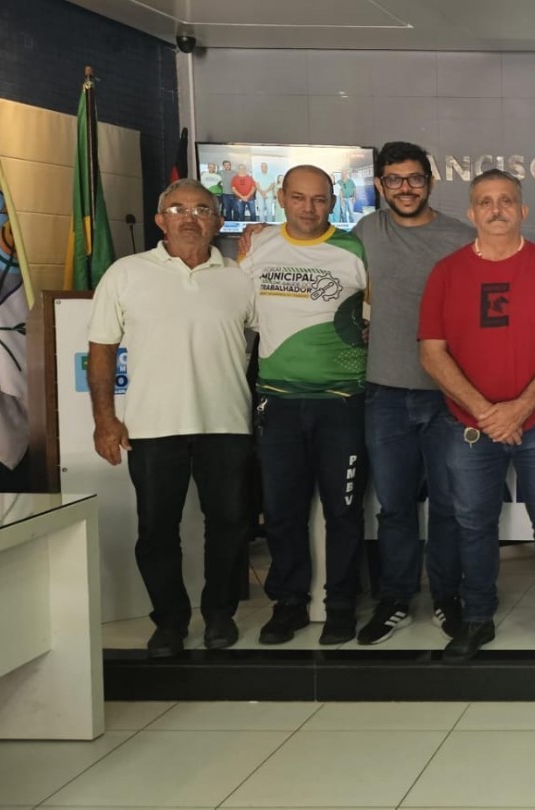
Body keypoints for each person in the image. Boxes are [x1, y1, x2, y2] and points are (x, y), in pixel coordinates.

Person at [87, 178, 255, 656]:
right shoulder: (126, 273)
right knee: (157, 530)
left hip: (227, 424)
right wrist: (105, 420)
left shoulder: (241, 278)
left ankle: (220, 615)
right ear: (160, 220)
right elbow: (101, 351)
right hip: (152, 427)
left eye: (201, 209)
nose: (189, 217)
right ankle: (170, 621)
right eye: (178, 209)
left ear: (217, 221)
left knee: (229, 526)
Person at [418, 169, 535, 659]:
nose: (496, 209)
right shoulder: (445, 273)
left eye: (506, 200)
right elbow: (431, 353)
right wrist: (487, 412)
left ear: (523, 211)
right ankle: (477, 617)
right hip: (469, 425)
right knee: (473, 524)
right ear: (472, 213)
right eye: (486, 201)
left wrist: (519, 409)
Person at [351, 142, 475, 645]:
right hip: (384, 393)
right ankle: (396, 599)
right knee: (395, 506)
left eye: (415, 178)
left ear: (430, 182)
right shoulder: (365, 232)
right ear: (380, 185)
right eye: (394, 179)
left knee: (448, 505)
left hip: (448, 396)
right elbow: (318, 254)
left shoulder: (461, 238)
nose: (405, 188)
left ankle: (447, 597)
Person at [242, 164, 369, 646]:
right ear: (281, 197)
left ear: (333, 201)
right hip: (278, 403)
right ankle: (289, 604)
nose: (309, 208)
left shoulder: (356, 249)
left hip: (343, 402)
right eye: (298, 197)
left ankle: (341, 606)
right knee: (281, 511)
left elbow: (379, 316)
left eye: (319, 199)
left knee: (344, 512)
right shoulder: (257, 246)